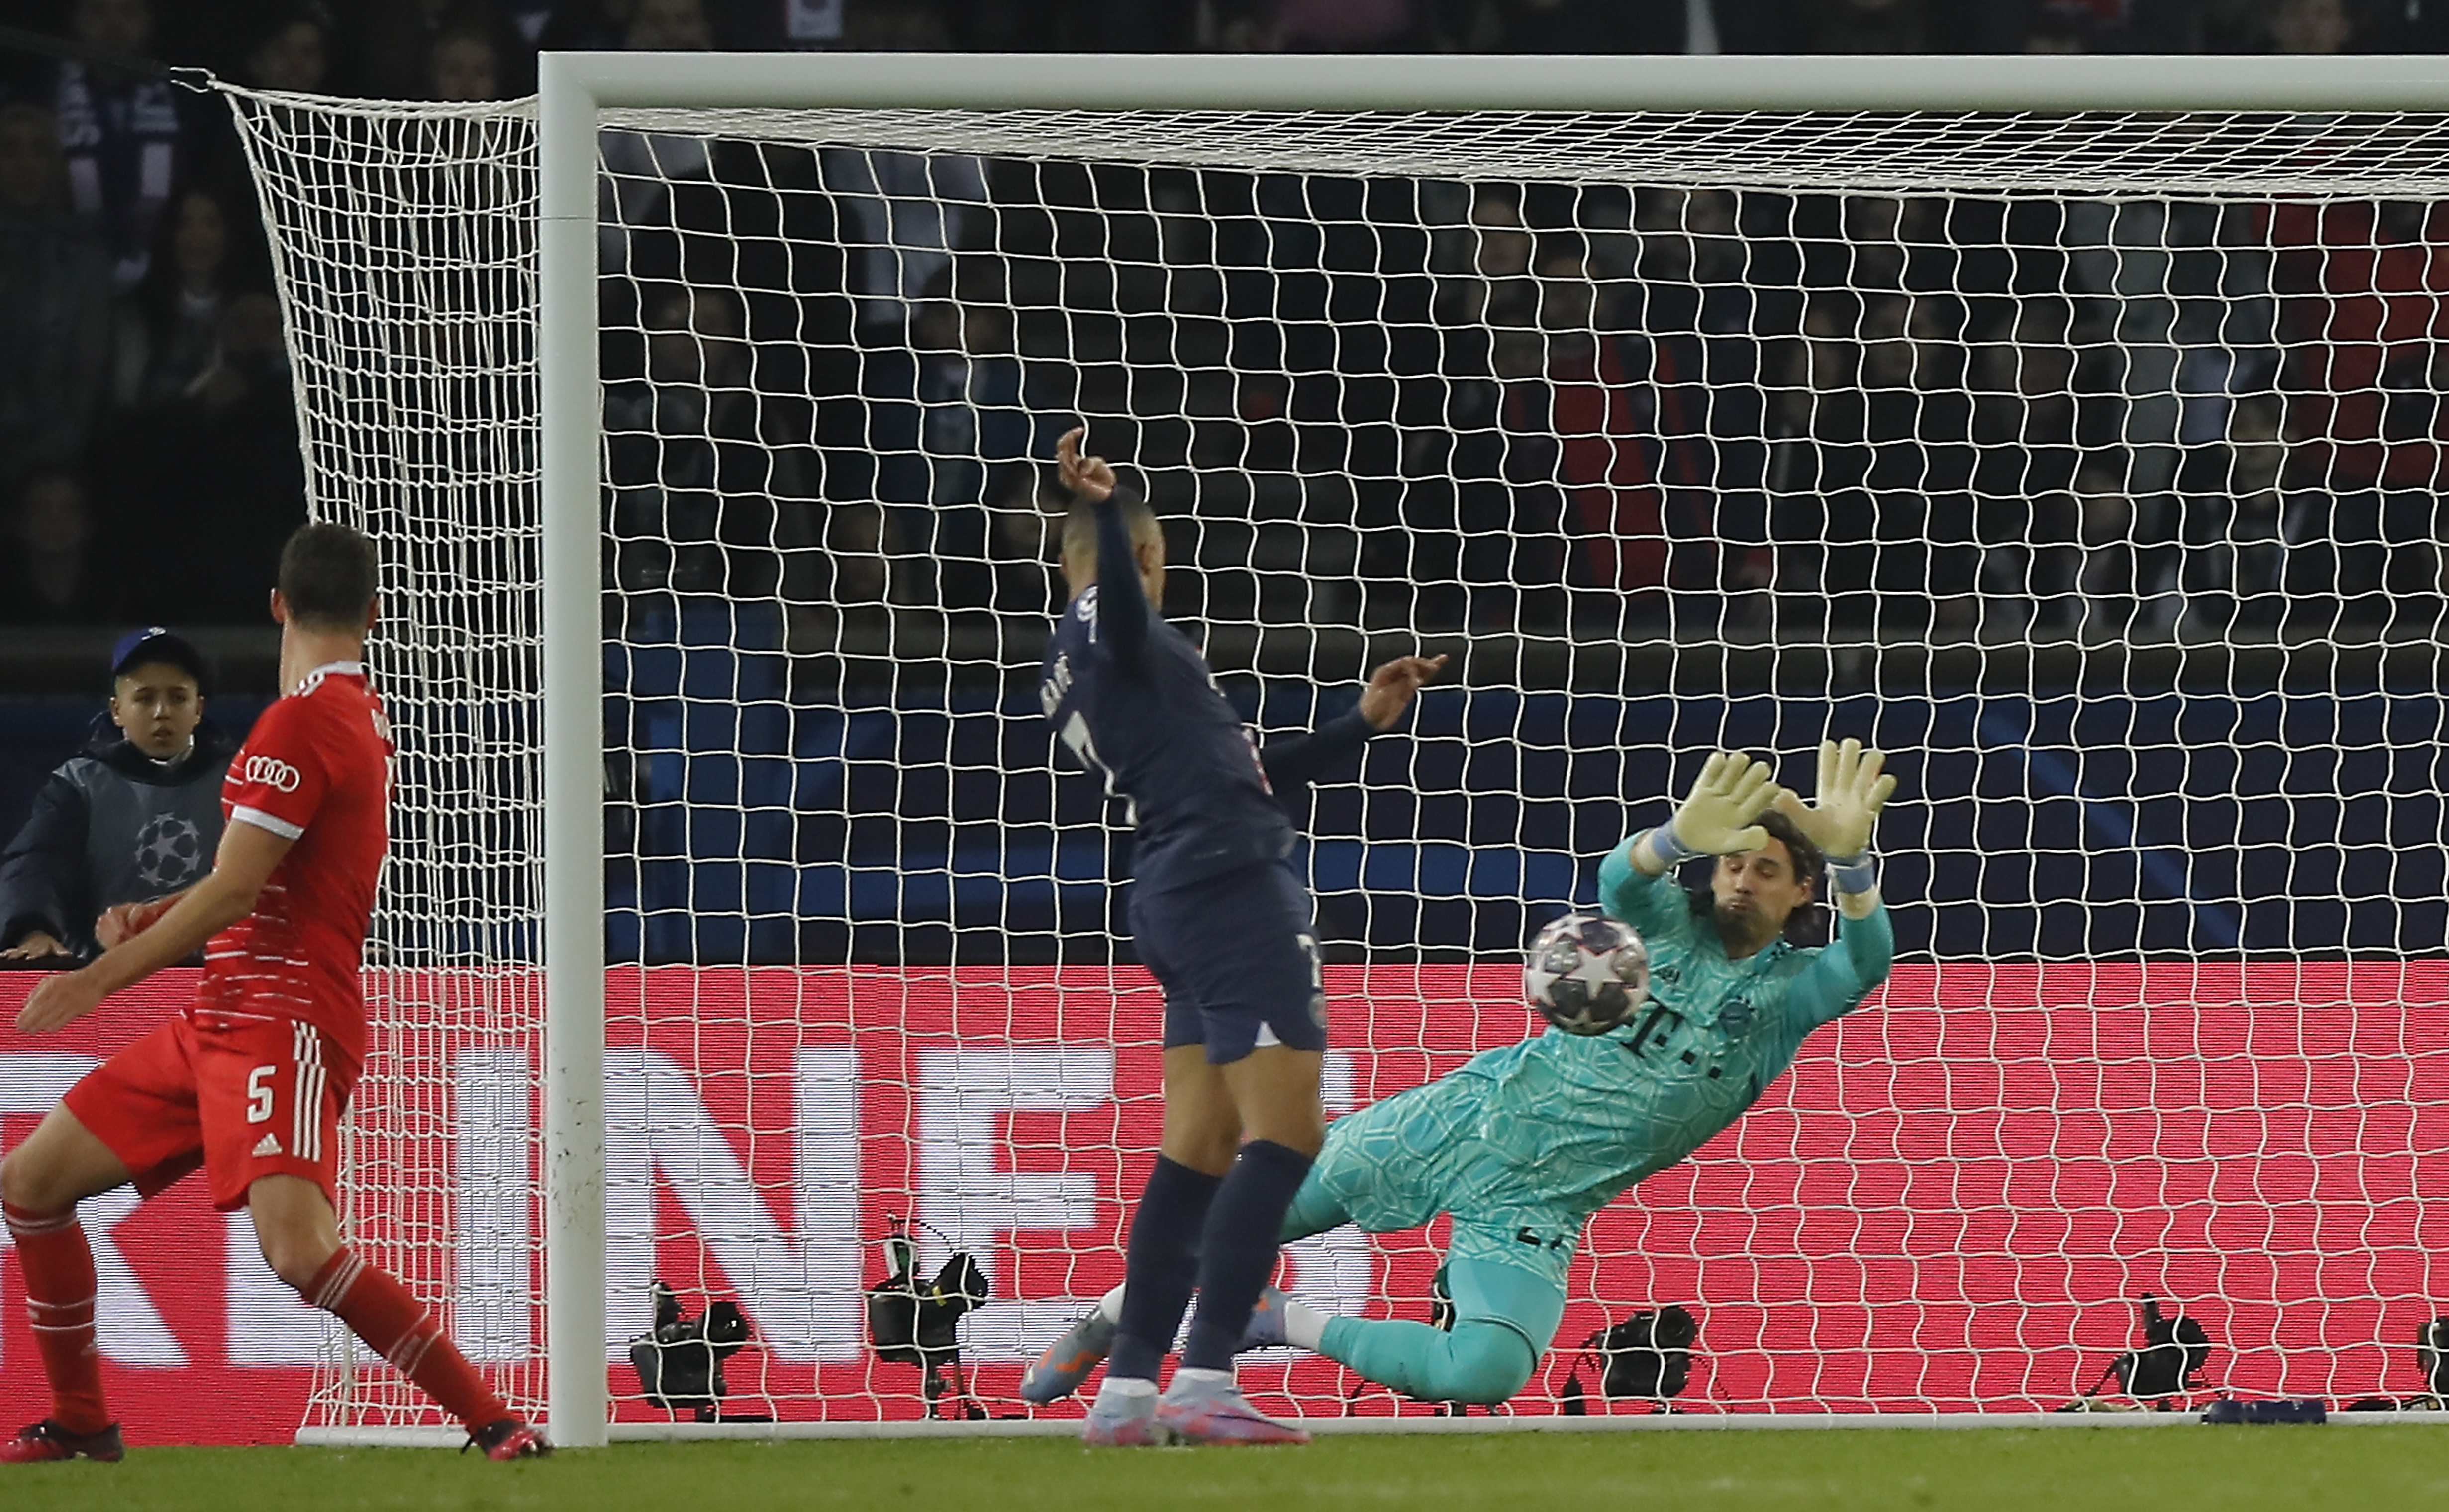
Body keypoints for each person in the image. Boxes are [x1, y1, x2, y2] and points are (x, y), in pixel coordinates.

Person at [1026, 742, 1896, 1411]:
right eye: (1731, 863)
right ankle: (1106, 1323)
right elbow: (1616, 882)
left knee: (1484, 1372)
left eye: (1765, 871)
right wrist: (1672, 840)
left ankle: (1274, 1321)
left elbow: (1864, 962)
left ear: (1801, 892)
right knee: (1225, 1225)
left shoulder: (1787, 996)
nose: (1740, 882)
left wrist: (1856, 866)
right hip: (1461, 1121)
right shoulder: (1664, 926)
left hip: (1541, 1206)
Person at [0, 523, 549, 1464]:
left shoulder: (298, 724)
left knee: (298, 1254)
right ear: (374, 615)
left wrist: (94, 979)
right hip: (223, 1012)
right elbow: (279, 875)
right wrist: (162, 909)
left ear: (277, 607)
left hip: (282, 1020)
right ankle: (84, 1417)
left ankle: (493, 1420)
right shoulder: (354, 718)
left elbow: (240, 889)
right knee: (31, 1184)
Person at [1038, 426, 1442, 1445]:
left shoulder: (1085, 661)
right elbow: (1122, 609)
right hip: (1229, 892)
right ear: (1143, 561)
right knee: (1286, 1136)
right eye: (1153, 564)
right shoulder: (1110, 619)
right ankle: (1207, 1373)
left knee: (1199, 1150)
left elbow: (1241, 774)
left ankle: (1128, 1391)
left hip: (1177, 887)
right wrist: (1100, 503)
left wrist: (1359, 723)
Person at [0, 627, 235, 964]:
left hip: (218, 976)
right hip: (102, 980)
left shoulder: (241, 779)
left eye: (177, 698)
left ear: (199, 709)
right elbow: (38, 863)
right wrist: (33, 930)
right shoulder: (79, 785)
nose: (161, 712)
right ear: (117, 710)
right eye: (144, 698)